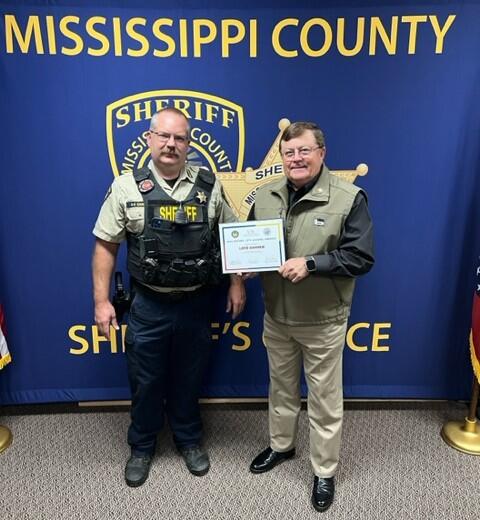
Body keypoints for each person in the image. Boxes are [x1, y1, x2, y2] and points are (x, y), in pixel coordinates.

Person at [92, 107, 245, 487]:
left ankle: (188, 439)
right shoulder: (127, 187)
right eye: (163, 136)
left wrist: (238, 283)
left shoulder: (209, 186)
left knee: (190, 377)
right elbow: (105, 246)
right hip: (148, 304)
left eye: (179, 138)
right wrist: (101, 301)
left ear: (189, 143)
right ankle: (142, 446)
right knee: (145, 380)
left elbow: (234, 238)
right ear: (149, 139)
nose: (171, 145)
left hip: (196, 302)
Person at [249, 122, 374, 512]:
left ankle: (324, 470)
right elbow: (253, 242)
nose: (296, 159)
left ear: (322, 153)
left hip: (322, 320)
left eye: (304, 151)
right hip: (277, 315)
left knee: (323, 399)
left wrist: (312, 264)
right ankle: (282, 446)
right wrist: (247, 265)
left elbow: (360, 257)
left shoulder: (349, 198)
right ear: (282, 157)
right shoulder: (266, 195)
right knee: (281, 389)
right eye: (289, 153)